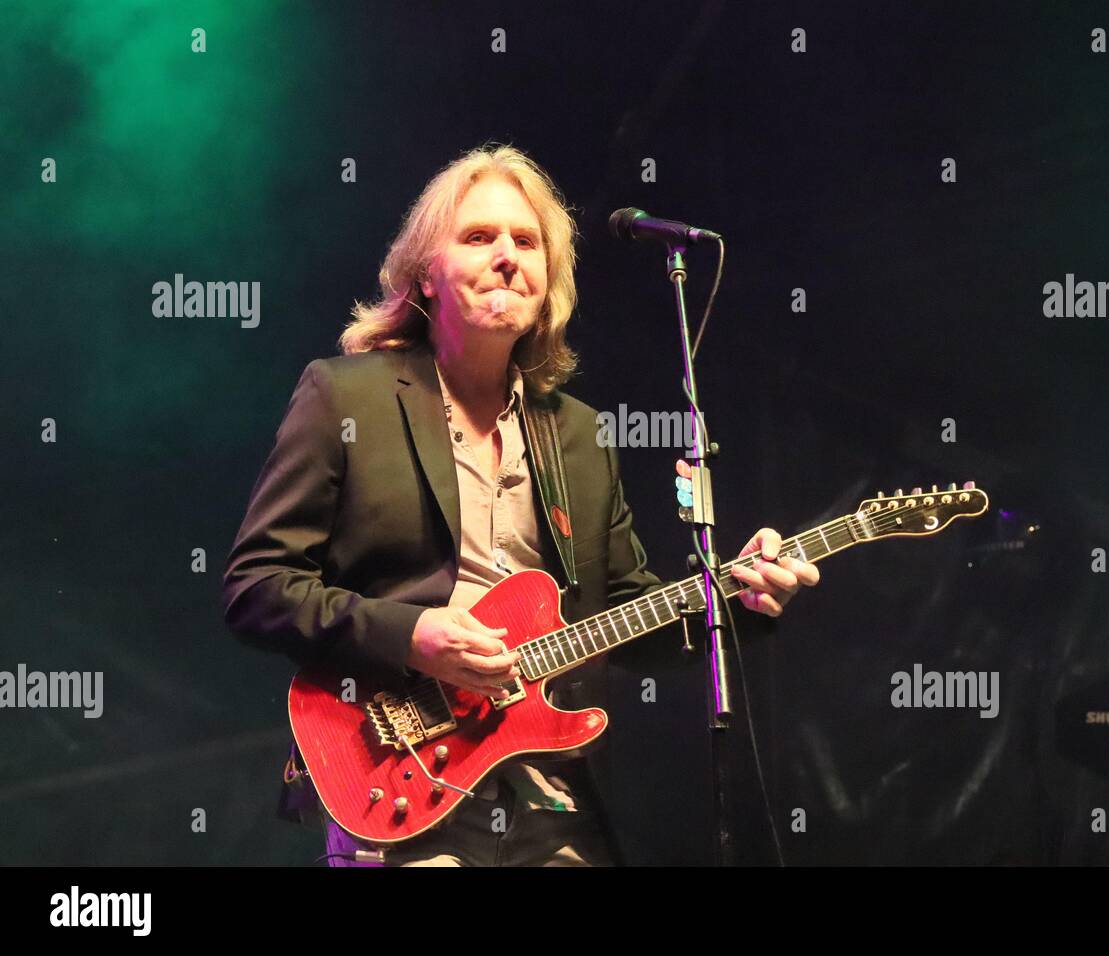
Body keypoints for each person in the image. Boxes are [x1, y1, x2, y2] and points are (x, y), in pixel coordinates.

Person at [221, 143, 819, 866]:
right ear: (424, 276)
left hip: (548, 792)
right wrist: (412, 633)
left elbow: (630, 614)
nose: (507, 256)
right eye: (479, 237)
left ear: (550, 281)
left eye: (527, 241)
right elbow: (257, 588)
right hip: (399, 773)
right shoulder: (346, 397)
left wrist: (743, 603)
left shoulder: (578, 433)